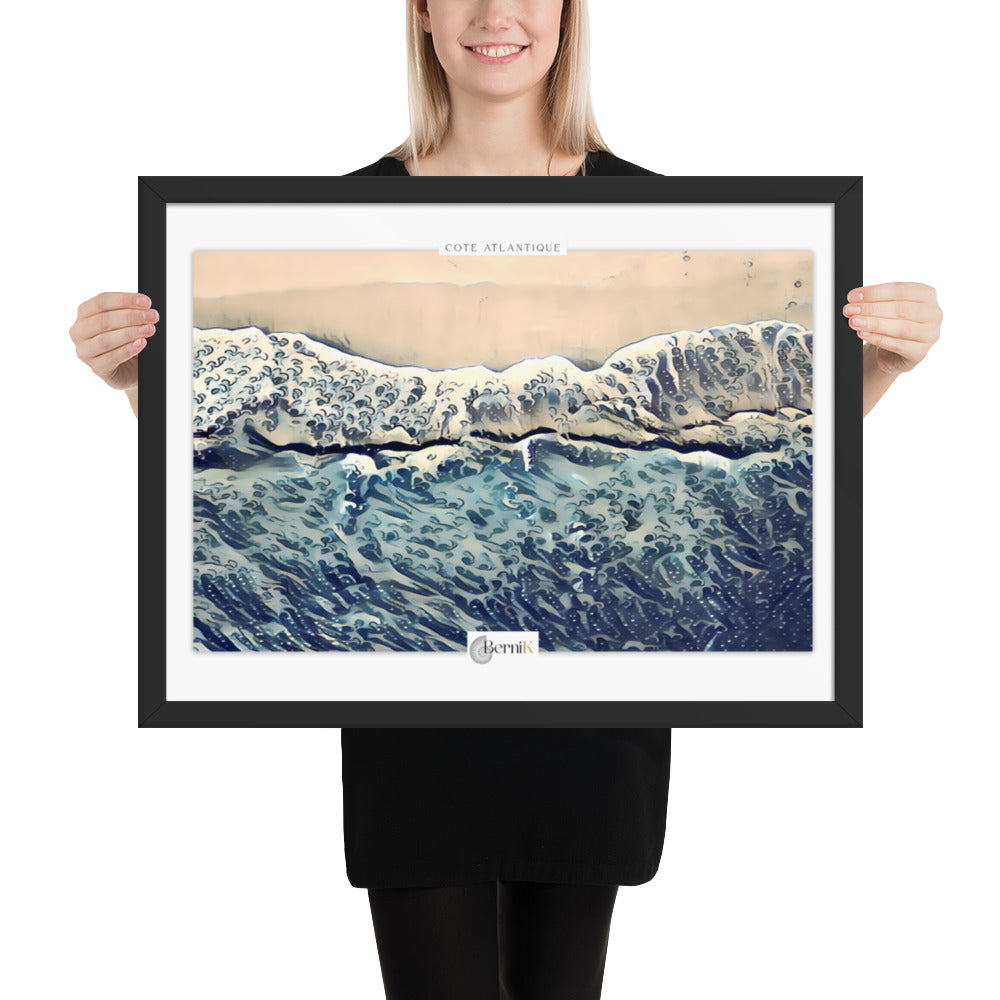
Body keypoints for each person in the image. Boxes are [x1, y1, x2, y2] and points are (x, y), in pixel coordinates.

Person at [68, 2, 943, 998]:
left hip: (592, 724)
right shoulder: (329, 214)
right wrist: (139, 385)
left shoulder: (665, 215)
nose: (497, 13)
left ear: (568, 15)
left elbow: (793, 450)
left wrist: (878, 369)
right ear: (424, 15)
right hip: (411, 724)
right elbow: (220, 466)